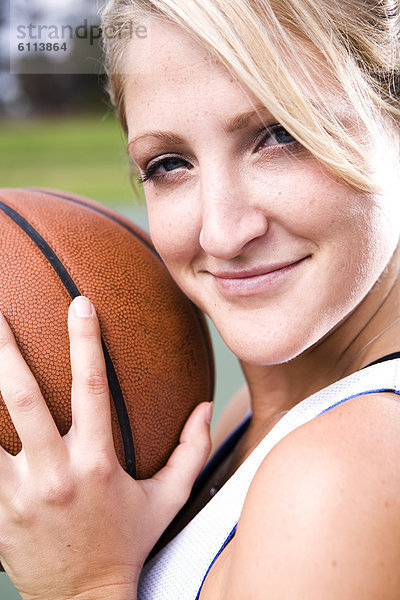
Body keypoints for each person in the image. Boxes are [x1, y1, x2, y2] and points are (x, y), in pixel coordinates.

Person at [1, 0, 400, 598]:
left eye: (280, 135)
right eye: (168, 164)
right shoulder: (258, 410)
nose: (221, 231)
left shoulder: (338, 474)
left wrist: (85, 583)